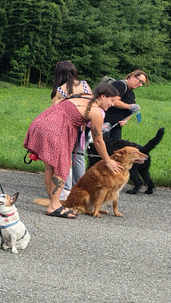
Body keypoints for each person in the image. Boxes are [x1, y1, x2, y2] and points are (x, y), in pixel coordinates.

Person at [24, 81, 124, 218]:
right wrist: (108, 161)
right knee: (62, 168)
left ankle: (54, 203)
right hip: (55, 130)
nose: (112, 104)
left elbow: (59, 101)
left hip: (41, 122)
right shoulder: (96, 112)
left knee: (50, 167)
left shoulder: (83, 96)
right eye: (112, 100)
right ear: (102, 96)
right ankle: (53, 206)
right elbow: (98, 141)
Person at [50, 60, 92, 194]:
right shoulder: (84, 85)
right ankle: (81, 187)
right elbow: (91, 103)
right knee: (79, 156)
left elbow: (54, 110)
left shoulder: (60, 90)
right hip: (84, 126)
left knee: (65, 157)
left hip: (66, 127)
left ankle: (66, 189)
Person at [103, 71, 148, 142]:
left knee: (115, 147)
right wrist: (129, 106)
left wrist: (125, 120)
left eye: (142, 83)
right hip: (105, 123)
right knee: (103, 145)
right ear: (132, 77)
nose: (140, 85)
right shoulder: (120, 85)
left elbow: (131, 110)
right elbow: (112, 101)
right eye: (140, 81)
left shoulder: (131, 93)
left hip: (116, 126)